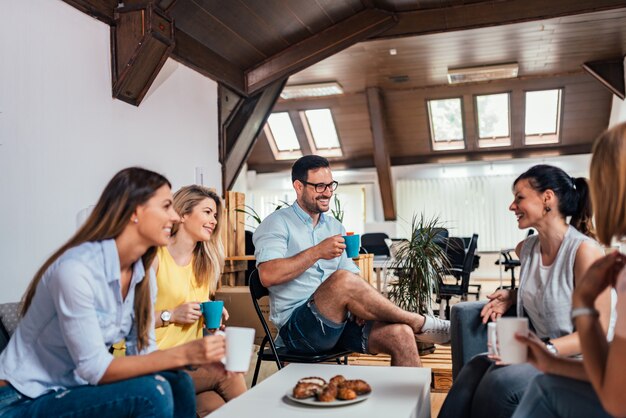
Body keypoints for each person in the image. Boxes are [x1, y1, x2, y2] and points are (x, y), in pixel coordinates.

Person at [0, 167, 226, 418]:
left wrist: (189, 360)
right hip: (21, 398)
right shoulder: (76, 271)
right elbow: (93, 368)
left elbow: (143, 352)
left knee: (178, 380)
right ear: (135, 213)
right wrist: (182, 353)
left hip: (73, 390)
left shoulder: (141, 274)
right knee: (152, 392)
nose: (174, 216)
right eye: (166, 206)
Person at [438, 164, 611, 418]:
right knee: (475, 366)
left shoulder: (585, 253)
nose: (512, 206)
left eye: (519, 198)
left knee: (501, 383)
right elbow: (552, 285)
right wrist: (514, 293)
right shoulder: (526, 249)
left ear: (547, 198)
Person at [253, 155, 450, 367]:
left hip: (338, 324)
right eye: (320, 186)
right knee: (341, 281)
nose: (328, 192)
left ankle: (413, 397)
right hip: (298, 332)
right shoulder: (276, 223)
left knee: (401, 334)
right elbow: (267, 275)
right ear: (298, 186)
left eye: (330, 185)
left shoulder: (334, 226)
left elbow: (350, 276)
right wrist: (318, 251)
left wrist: (359, 305)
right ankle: (418, 321)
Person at [512, 122, 626, 418]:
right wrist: (548, 360)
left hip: (597, 372)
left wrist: (583, 306)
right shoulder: (527, 249)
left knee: (538, 389)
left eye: (603, 180)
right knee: (484, 370)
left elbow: (617, 396)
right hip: (595, 370)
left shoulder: (587, 252)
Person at [153, 185, 246, 416]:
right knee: (229, 372)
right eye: (206, 212)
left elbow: (199, 327)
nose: (213, 220)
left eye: (214, 215)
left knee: (214, 406)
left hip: (190, 360)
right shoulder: (155, 257)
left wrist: (211, 325)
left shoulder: (204, 263)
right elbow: (128, 321)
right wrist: (171, 315)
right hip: (153, 360)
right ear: (183, 214)